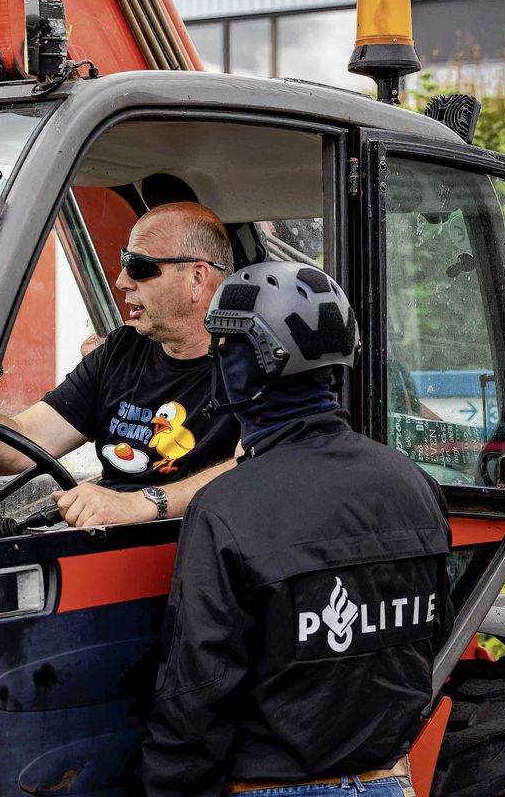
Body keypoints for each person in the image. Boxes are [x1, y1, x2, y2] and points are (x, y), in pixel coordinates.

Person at [140, 261, 454, 797]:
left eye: (226, 348)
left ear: (254, 365)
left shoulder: (226, 509)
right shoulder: (416, 485)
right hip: (391, 783)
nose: (217, 359)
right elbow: (431, 636)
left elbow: (196, 695)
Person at [0, 201, 241, 527]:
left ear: (197, 278)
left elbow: (255, 467)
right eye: (123, 262)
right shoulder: (121, 352)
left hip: (195, 549)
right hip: (107, 549)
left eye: (140, 266)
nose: (122, 282)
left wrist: (140, 504)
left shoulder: (255, 364)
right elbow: (20, 444)